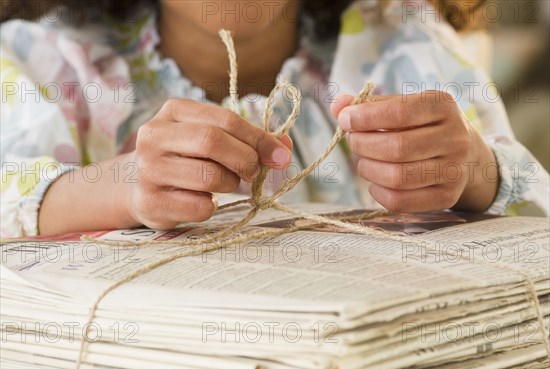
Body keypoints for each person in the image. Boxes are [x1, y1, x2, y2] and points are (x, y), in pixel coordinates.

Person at [1, 0, 548, 238]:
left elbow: (535, 212)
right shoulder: (41, 64)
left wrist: (474, 170)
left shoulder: (405, 50)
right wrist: (118, 184)